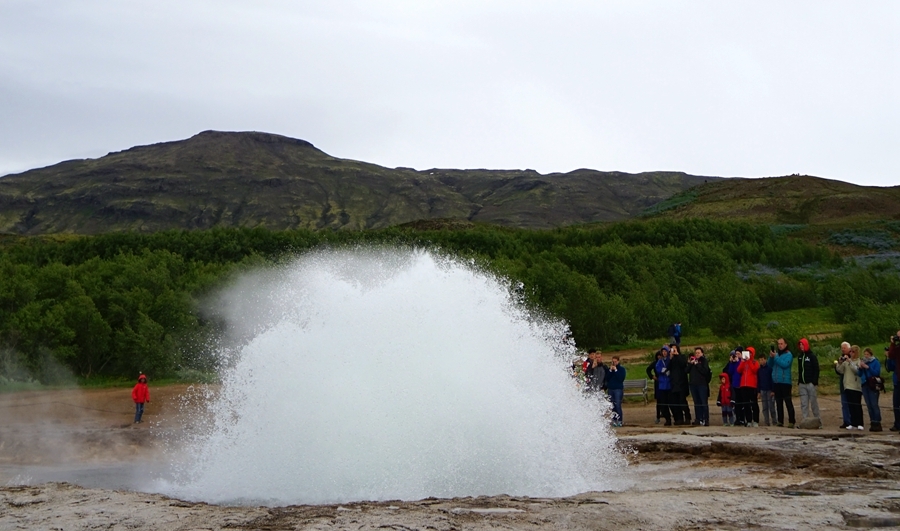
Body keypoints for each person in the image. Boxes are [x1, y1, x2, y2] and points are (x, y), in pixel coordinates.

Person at [835, 345, 864, 430]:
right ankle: (852, 423)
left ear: (856, 353)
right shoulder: (846, 362)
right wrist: (839, 363)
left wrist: (850, 362)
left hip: (856, 386)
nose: (851, 353)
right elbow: (840, 370)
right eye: (850, 351)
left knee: (857, 405)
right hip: (847, 386)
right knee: (850, 406)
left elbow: (856, 370)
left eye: (853, 352)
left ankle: (860, 423)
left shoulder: (859, 361)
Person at [770, 338, 796, 428]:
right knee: (778, 402)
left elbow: (785, 365)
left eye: (781, 343)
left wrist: (775, 357)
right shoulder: (776, 355)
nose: (780, 345)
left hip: (785, 381)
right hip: (776, 381)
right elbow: (770, 365)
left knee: (788, 402)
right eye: (778, 344)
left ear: (785, 344)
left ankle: (791, 421)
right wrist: (771, 357)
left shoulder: (788, 354)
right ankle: (780, 420)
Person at [797, 338, 822, 428]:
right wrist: (799, 381)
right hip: (802, 384)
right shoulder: (800, 357)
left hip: (811, 383)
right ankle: (805, 422)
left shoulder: (812, 356)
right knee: (804, 404)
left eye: (802, 345)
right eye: (800, 345)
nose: (801, 346)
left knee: (813, 403)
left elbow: (816, 369)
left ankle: (818, 421)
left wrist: (814, 382)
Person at [859, 347, 883, 432]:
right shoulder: (863, 362)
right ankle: (872, 422)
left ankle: (877, 422)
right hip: (865, 384)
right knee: (868, 405)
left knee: (874, 404)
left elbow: (876, 372)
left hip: (872, 384)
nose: (866, 356)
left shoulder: (875, 362)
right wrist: (860, 368)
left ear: (871, 354)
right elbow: (859, 374)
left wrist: (868, 367)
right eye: (865, 354)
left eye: (867, 354)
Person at [736, 347, 760, 427]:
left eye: (750, 353)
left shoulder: (755, 362)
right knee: (746, 404)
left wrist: (749, 361)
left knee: (754, 404)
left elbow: (755, 370)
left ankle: (756, 420)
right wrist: (742, 362)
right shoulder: (744, 362)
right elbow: (739, 370)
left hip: (752, 385)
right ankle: (749, 420)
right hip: (743, 385)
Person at [688, 347, 712, 426]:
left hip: (702, 385)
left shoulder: (704, 361)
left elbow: (705, 371)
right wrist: (690, 364)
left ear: (702, 353)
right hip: (693, 384)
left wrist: (697, 364)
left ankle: (706, 419)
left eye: (698, 353)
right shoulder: (693, 361)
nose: (697, 354)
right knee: (696, 402)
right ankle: (698, 418)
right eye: (696, 353)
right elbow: (686, 370)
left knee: (703, 402)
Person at [669, 345, 691, 426]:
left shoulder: (682, 357)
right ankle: (679, 418)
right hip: (674, 384)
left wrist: (677, 355)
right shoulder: (671, 359)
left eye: (675, 348)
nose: (673, 350)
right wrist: (670, 358)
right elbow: (668, 368)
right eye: (672, 348)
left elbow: (683, 364)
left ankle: (687, 417)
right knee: (675, 402)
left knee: (683, 402)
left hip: (682, 384)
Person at [723, 350, 743, 425]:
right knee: (736, 403)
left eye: (737, 354)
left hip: (740, 385)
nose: (735, 356)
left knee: (741, 403)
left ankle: (742, 419)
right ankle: (737, 418)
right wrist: (731, 362)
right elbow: (729, 372)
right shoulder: (733, 363)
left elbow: (740, 370)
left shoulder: (741, 362)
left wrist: (737, 362)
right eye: (734, 355)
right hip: (734, 385)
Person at [606, 356, 627, 427]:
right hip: (611, 389)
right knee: (612, 406)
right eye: (613, 361)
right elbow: (607, 378)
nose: (614, 363)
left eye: (615, 361)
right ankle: (614, 420)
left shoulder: (621, 369)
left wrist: (616, 370)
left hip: (618, 389)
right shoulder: (610, 369)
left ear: (618, 361)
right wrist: (610, 371)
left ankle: (620, 420)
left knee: (618, 405)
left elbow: (621, 379)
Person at [655, 347, 673, 426]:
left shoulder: (670, 360)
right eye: (663, 351)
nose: (664, 353)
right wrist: (665, 370)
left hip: (669, 384)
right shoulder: (660, 361)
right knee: (663, 404)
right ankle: (667, 419)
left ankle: (676, 418)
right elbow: (658, 369)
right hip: (662, 385)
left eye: (666, 351)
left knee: (672, 403)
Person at [837, 342, 853, 429]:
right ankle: (846, 421)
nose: (843, 349)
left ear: (849, 348)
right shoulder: (841, 358)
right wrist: (839, 363)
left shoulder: (853, 357)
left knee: (852, 404)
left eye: (844, 348)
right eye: (842, 348)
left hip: (851, 384)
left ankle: (853, 421)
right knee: (844, 404)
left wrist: (849, 360)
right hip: (843, 384)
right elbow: (838, 371)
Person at [757, 355, 776, 426]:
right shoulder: (759, 370)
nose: (761, 361)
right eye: (760, 360)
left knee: (771, 406)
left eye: (762, 360)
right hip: (762, 389)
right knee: (764, 407)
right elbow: (758, 381)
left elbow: (772, 380)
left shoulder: (770, 369)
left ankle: (774, 421)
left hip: (769, 390)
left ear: (765, 360)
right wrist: (758, 391)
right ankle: (766, 421)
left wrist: (773, 390)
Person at [887, 333, 900, 432]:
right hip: (898, 379)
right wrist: (892, 343)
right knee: (896, 404)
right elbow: (891, 355)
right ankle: (897, 424)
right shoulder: (897, 348)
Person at [647, 350, 663, 424]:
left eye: (660, 355)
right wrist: (652, 376)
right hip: (658, 382)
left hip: (665, 381)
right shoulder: (655, 363)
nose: (659, 357)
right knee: (659, 400)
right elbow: (648, 369)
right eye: (658, 356)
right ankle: (658, 416)